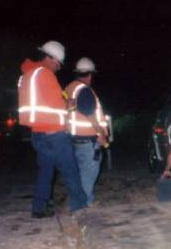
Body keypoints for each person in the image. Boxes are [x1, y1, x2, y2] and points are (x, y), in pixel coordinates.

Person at [17, 40, 88, 218]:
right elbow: (58, 106)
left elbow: (40, 103)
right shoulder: (46, 75)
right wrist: (70, 104)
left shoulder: (26, 75)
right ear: (49, 58)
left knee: (45, 171)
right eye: (57, 62)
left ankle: (39, 208)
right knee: (71, 171)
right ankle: (80, 209)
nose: (58, 67)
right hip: (54, 134)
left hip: (37, 134)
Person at [64, 57, 109, 207]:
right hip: (88, 140)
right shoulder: (84, 90)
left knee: (81, 173)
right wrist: (101, 134)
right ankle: (85, 204)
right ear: (90, 74)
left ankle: (80, 202)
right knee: (89, 173)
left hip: (74, 138)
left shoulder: (70, 88)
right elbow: (89, 113)